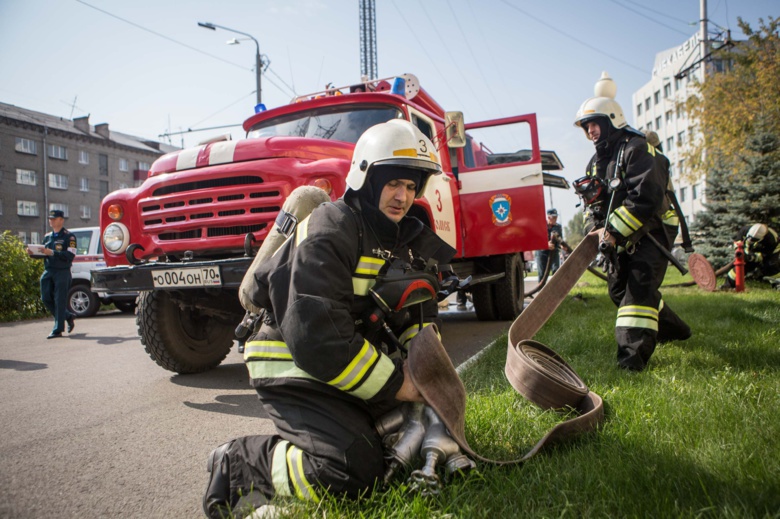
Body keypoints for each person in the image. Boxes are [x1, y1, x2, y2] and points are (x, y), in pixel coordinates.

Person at [203, 119, 456, 518]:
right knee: (353, 470)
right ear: (367, 178)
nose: (402, 197)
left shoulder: (403, 241)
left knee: (401, 432)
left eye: (411, 186)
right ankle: (240, 463)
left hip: (337, 358)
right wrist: (398, 383)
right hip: (290, 360)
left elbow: (418, 313)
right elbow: (316, 335)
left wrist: (430, 371)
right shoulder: (331, 229)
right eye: (393, 184)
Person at [573, 71, 690, 371]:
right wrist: (594, 231)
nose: (590, 131)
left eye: (594, 124)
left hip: (654, 229)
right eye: (586, 127)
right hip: (622, 236)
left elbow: (646, 198)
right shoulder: (596, 162)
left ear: (612, 120)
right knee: (617, 291)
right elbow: (591, 207)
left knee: (637, 294)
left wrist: (612, 232)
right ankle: (675, 330)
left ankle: (631, 362)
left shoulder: (637, 149)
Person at [27, 210, 77, 339]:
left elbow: (70, 255)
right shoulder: (48, 236)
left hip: (62, 272)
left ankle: (58, 330)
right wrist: (33, 253)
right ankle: (67, 316)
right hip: (49, 271)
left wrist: (53, 253)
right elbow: (44, 253)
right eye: (50, 218)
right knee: (45, 298)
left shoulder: (69, 237)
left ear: (61, 220)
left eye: (54, 219)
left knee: (59, 301)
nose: (52, 221)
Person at [722, 224, 780, 288]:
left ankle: (777, 284)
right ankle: (727, 286)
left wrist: (751, 257)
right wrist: (740, 251)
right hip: (753, 248)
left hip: (771, 251)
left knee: (770, 266)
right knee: (742, 267)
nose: (750, 240)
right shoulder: (745, 230)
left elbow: (764, 255)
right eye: (749, 237)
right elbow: (737, 241)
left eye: (754, 239)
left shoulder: (771, 239)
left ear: (761, 238)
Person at [535, 208, 564, 281]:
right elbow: (537, 239)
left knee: (556, 270)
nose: (555, 219)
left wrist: (562, 245)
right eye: (553, 217)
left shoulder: (558, 227)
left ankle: (555, 290)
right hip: (542, 252)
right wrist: (546, 244)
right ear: (548, 217)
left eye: (556, 217)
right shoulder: (541, 225)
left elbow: (560, 239)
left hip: (554, 251)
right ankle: (541, 291)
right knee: (542, 274)